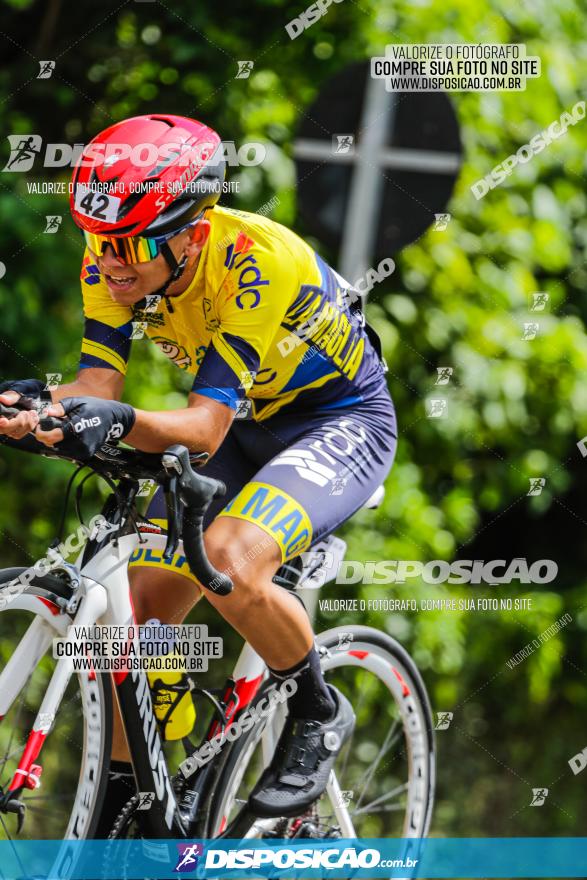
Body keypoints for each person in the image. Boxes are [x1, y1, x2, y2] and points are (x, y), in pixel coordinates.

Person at [0, 114, 397, 833]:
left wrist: (106, 421)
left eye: (133, 245)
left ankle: (316, 710)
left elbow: (203, 425)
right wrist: (36, 409)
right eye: (100, 241)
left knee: (230, 558)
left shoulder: (254, 260)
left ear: (193, 232)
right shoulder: (111, 254)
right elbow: (99, 383)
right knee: (144, 611)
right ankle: (131, 818)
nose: (112, 262)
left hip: (336, 420)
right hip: (247, 422)